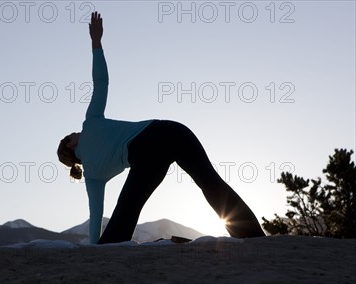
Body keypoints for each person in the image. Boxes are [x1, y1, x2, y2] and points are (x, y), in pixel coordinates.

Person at [57, 11, 266, 244]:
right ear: (70, 142)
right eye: (73, 134)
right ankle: (255, 239)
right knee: (211, 183)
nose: (77, 131)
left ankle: (109, 248)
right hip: (170, 132)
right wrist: (96, 42)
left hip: (147, 158)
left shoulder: (92, 177)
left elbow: (95, 216)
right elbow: (101, 82)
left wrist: (95, 246)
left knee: (127, 208)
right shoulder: (91, 121)